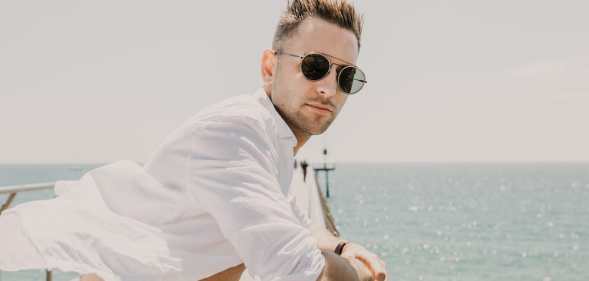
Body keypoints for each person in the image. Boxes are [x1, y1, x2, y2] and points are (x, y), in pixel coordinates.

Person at [1, 1, 387, 281]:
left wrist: (341, 248)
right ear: (270, 68)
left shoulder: (273, 145)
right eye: (314, 66)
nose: (327, 89)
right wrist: (353, 271)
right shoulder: (237, 134)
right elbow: (297, 273)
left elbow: (301, 229)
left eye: (345, 77)